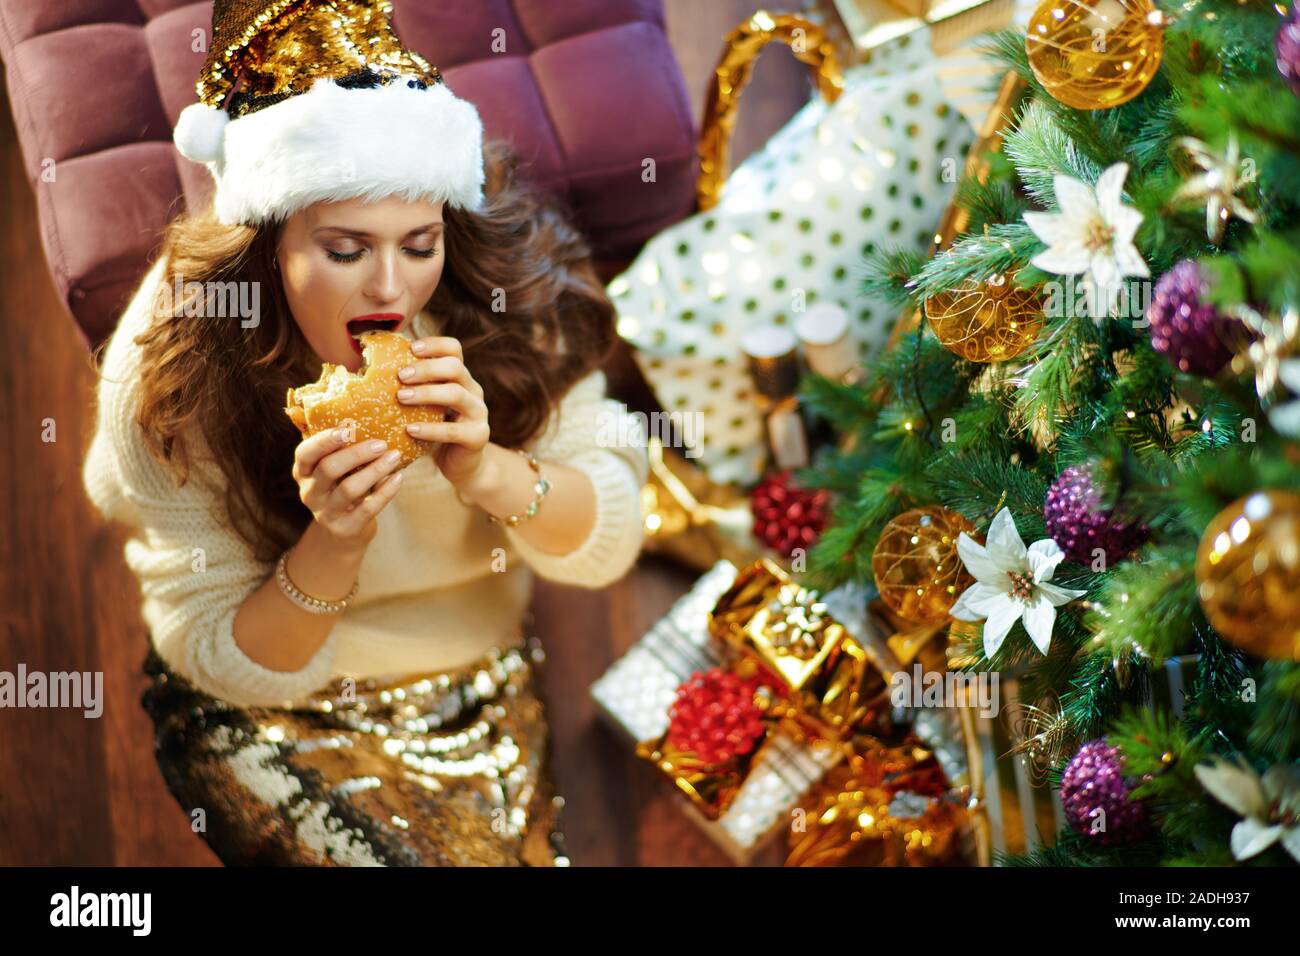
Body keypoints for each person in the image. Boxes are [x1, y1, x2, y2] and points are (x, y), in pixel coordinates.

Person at [80, 0, 648, 866]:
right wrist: (334, 542)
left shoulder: (502, 297)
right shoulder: (173, 365)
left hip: (473, 668)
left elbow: (606, 540)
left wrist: (488, 471)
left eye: (417, 244)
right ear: (269, 243)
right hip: (266, 698)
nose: (392, 288)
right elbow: (215, 652)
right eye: (345, 250)